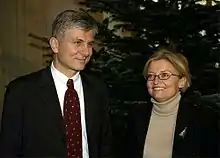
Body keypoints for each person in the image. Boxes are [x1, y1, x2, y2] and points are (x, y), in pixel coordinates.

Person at [0, 9, 113, 158]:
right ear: (55, 45)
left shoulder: (97, 89)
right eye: (78, 43)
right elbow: (9, 150)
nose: (86, 52)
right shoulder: (22, 92)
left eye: (89, 44)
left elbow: (105, 146)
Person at [126, 48, 219, 158]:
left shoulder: (202, 118)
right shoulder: (136, 116)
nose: (155, 81)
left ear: (181, 81)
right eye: (151, 76)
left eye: (164, 75)